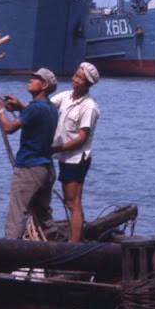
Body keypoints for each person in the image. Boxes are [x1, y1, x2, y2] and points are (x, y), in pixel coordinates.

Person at [0, 68, 59, 239]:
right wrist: (21, 107)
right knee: (44, 215)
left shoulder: (35, 108)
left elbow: (8, 128)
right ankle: (56, 248)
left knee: (16, 215)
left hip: (30, 169)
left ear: (44, 85)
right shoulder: (50, 108)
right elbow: (34, 115)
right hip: (46, 169)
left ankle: (8, 258)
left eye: (35, 78)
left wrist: (0, 110)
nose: (30, 80)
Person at [51, 62, 100, 242]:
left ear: (88, 83)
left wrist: (55, 149)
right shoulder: (65, 97)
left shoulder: (89, 107)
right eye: (75, 75)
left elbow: (81, 138)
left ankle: (74, 244)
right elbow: (44, 107)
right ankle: (75, 239)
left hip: (76, 158)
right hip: (65, 156)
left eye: (80, 78)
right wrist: (20, 107)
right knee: (71, 201)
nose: (75, 79)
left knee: (73, 202)